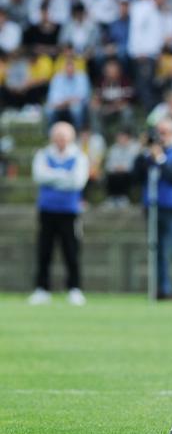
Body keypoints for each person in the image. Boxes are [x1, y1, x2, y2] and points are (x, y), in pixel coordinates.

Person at [28, 122, 89, 306]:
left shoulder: (78, 156)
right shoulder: (43, 154)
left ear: (70, 138)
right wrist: (64, 175)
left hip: (69, 211)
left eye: (64, 136)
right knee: (44, 251)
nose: (61, 140)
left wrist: (53, 176)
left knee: (71, 251)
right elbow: (39, 176)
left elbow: (77, 181)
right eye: (58, 136)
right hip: (47, 210)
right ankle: (42, 289)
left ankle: (74, 288)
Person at [135, 119, 172, 300]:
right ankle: (162, 288)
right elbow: (136, 173)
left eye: (165, 132)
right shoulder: (148, 154)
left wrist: (159, 157)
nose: (161, 137)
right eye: (159, 132)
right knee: (157, 250)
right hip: (153, 206)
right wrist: (143, 151)